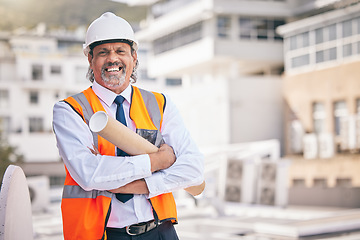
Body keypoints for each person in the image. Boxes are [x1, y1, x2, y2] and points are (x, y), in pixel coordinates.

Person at [52, 12, 204, 240]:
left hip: (160, 231)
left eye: (120, 51)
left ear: (134, 56)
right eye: (103, 52)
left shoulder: (160, 104)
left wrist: (140, 185)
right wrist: (157, 162)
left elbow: (193, 170)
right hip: (102, 234)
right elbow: (89, 174)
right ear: (90, 60)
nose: (112, 59)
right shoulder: (70, 110)